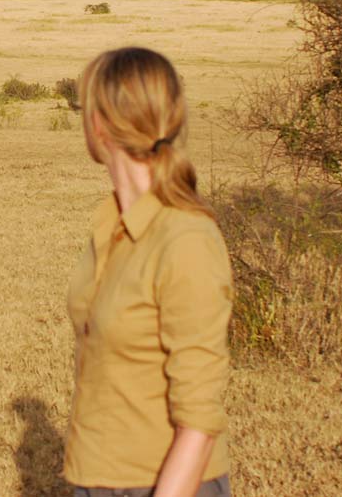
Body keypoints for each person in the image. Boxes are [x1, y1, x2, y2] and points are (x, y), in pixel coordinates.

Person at [65, 47, 233, 497]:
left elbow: (199, 422)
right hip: (96, 476)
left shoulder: (186, 239)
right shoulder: (111, 224)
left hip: (165, 484)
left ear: (99, 125)